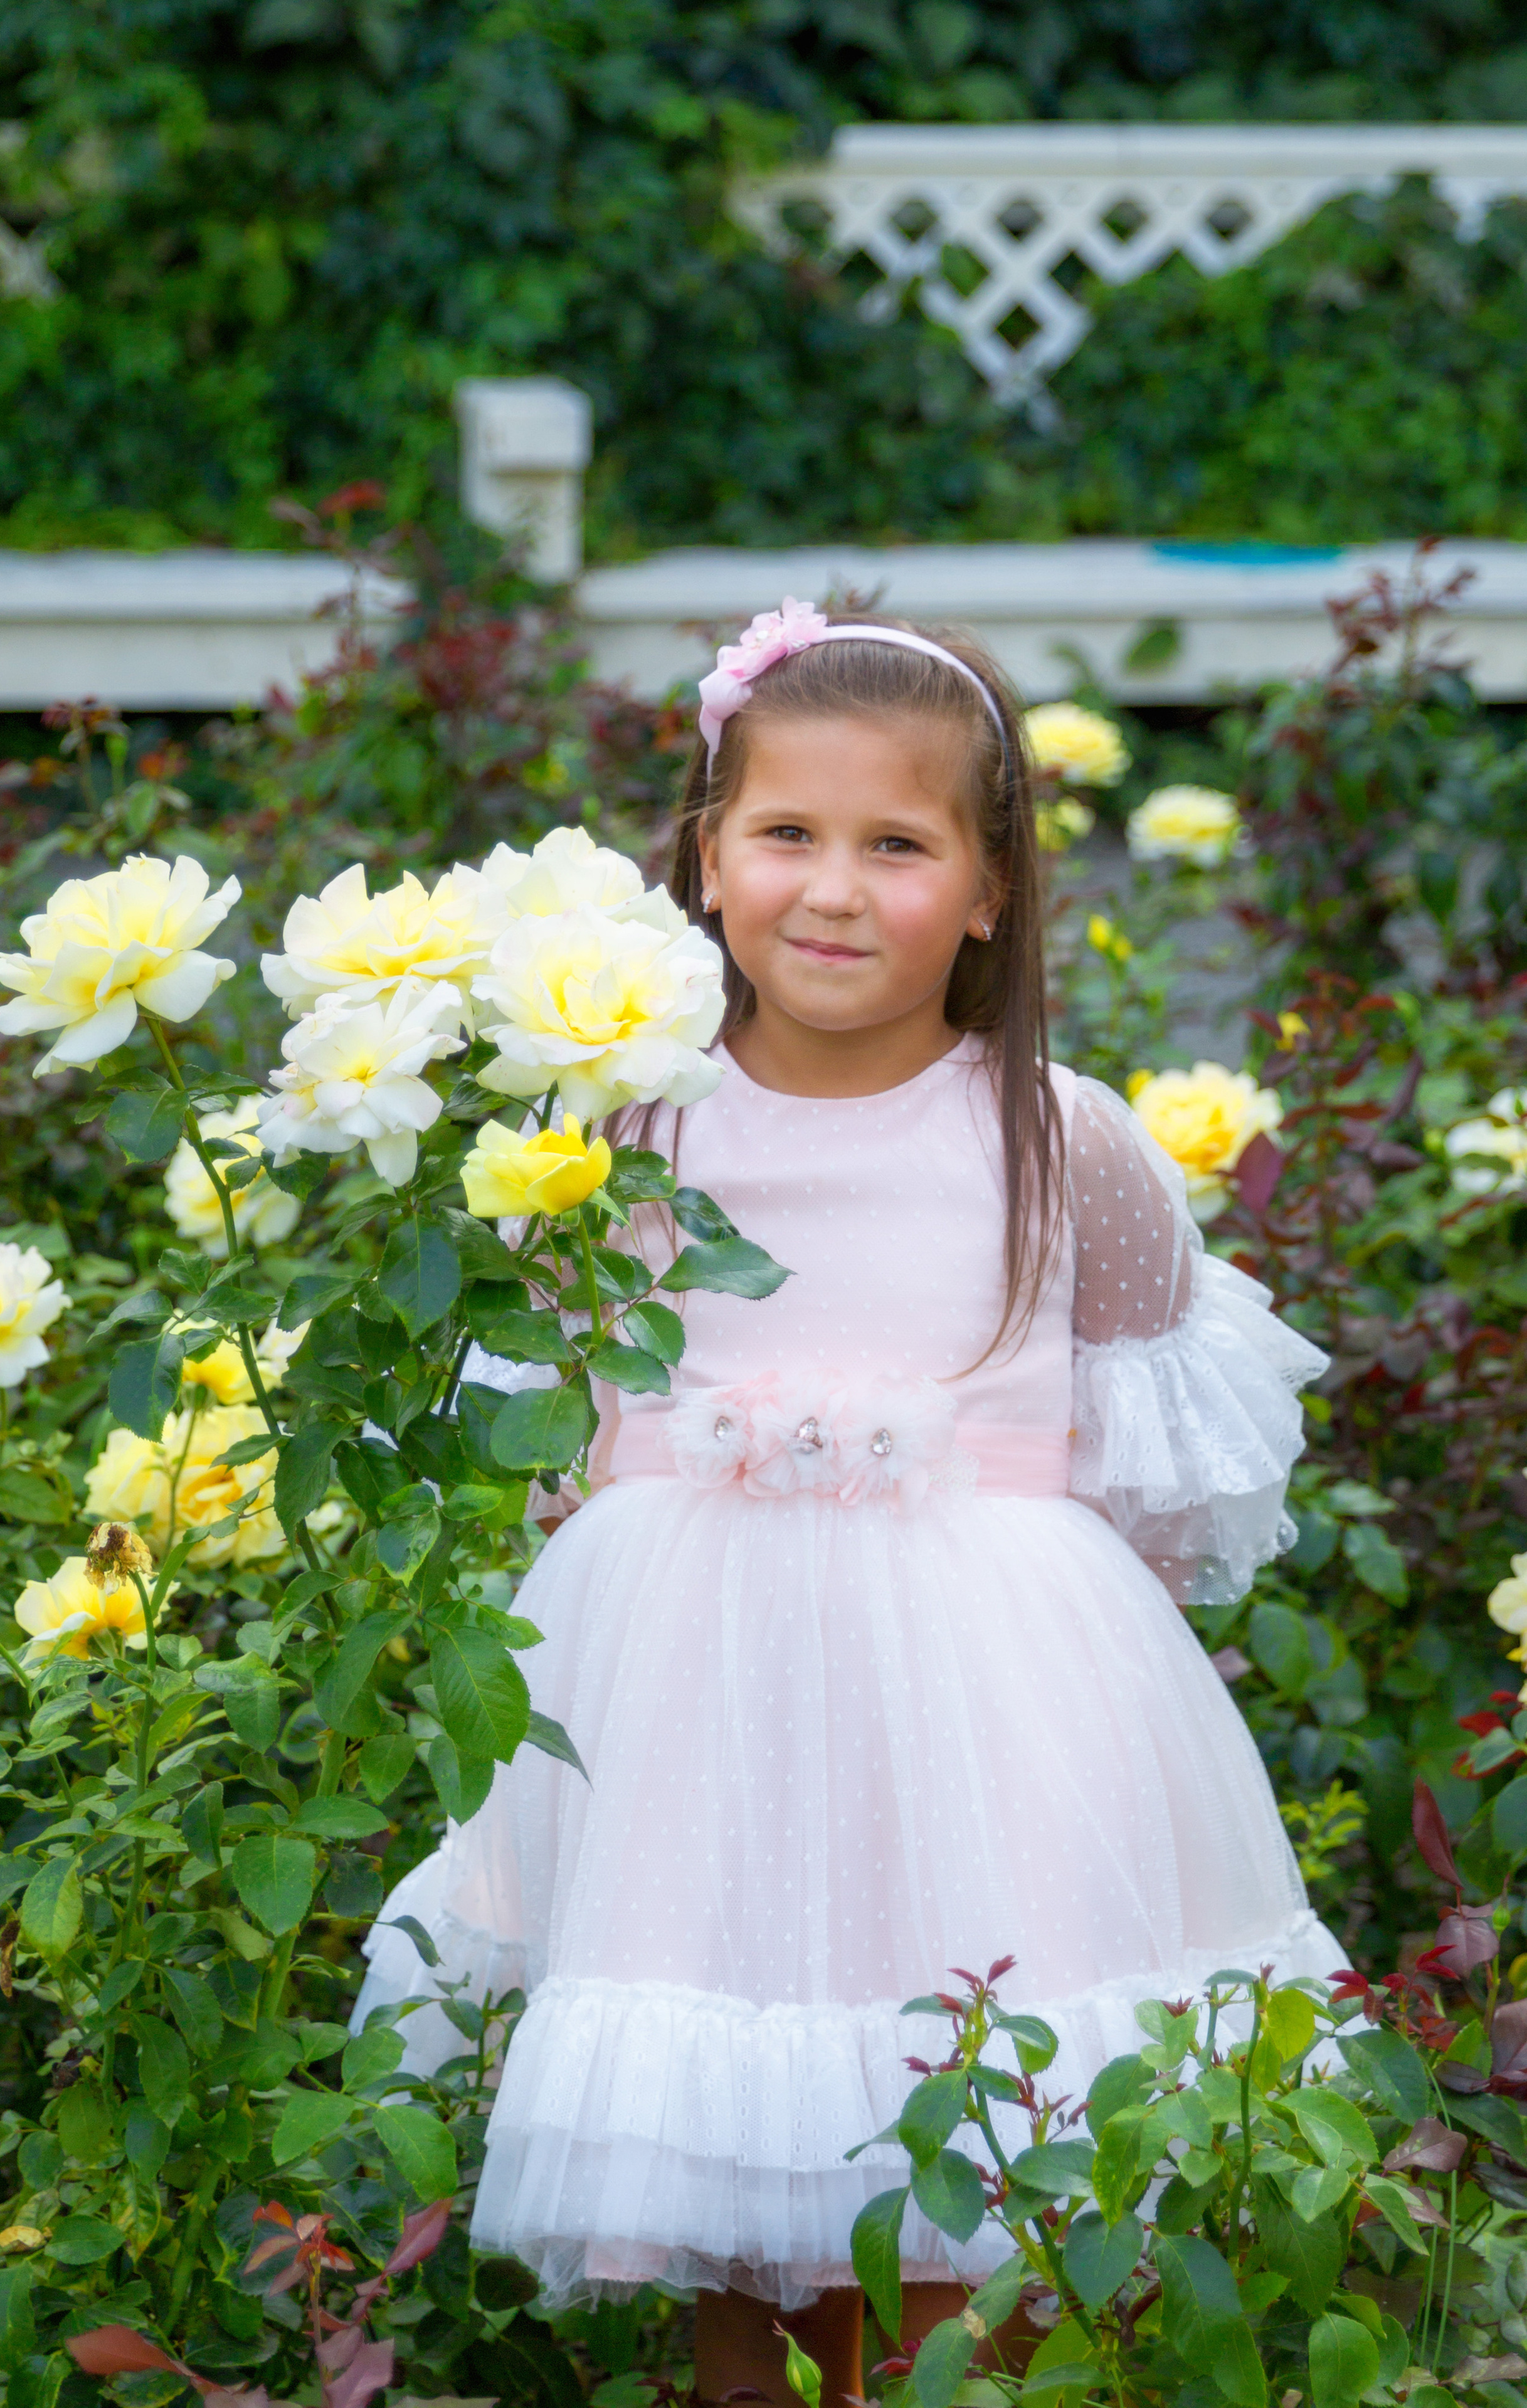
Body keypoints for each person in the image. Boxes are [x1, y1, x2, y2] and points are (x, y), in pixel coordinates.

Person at [354, 603, 1338, 2405]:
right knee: (735, 2186)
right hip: (693, 1743)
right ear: (705, 858)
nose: (831, 887)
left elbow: (1160, 1448)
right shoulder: (618, 1140)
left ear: (986, 891)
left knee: (993, 2200)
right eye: (786, 834)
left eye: (897, 845)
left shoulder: (1063, 1142)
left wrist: (1056, 1694)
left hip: (987, 1736)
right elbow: (529, 1438)